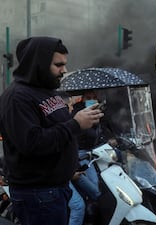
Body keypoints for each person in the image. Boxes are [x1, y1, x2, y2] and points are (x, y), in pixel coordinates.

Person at [0, 37, 104, 225]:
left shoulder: (47, 91)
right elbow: (32, 143)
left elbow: (59, 128)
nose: (63, 70)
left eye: (64, 64)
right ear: (38, 64)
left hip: (57, 189)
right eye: (58, 65)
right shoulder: (17, 98)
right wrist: (75, 124)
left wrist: (84, 121)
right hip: (38, 194)